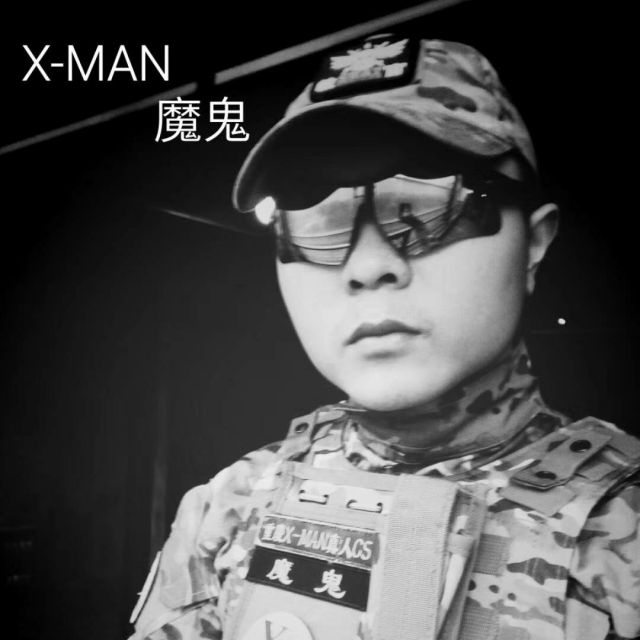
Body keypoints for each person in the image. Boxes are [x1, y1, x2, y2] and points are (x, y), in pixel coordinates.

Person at [128, 35, 640, 640]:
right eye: (317, 219)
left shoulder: (622, 531)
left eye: (429, 202)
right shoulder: (229, 506)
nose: (368, 266)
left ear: (534, 242)